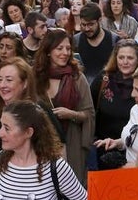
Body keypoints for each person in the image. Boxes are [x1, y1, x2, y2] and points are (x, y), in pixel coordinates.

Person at [33, 28, 94, 183]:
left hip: (72, 141)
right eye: (59, 48)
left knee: (71, 187)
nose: (65, 53)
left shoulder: (77, 78)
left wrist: (71, 114)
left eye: (68, 48)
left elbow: (89, 113)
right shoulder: (35, 77)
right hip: (42, 143)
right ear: (48, 51)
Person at [90, 40, 138, 168]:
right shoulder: (104, 80)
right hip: (104, 148)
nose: (125, 62)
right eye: (121, 57)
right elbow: (90, 109)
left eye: (130, 58)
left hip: (134, 152)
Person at [74, 2, 116, 85]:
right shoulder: (76, 40)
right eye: (83, 25)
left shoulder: (113, 40)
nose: (87, 29)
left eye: (90, 24)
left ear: (99, 20)